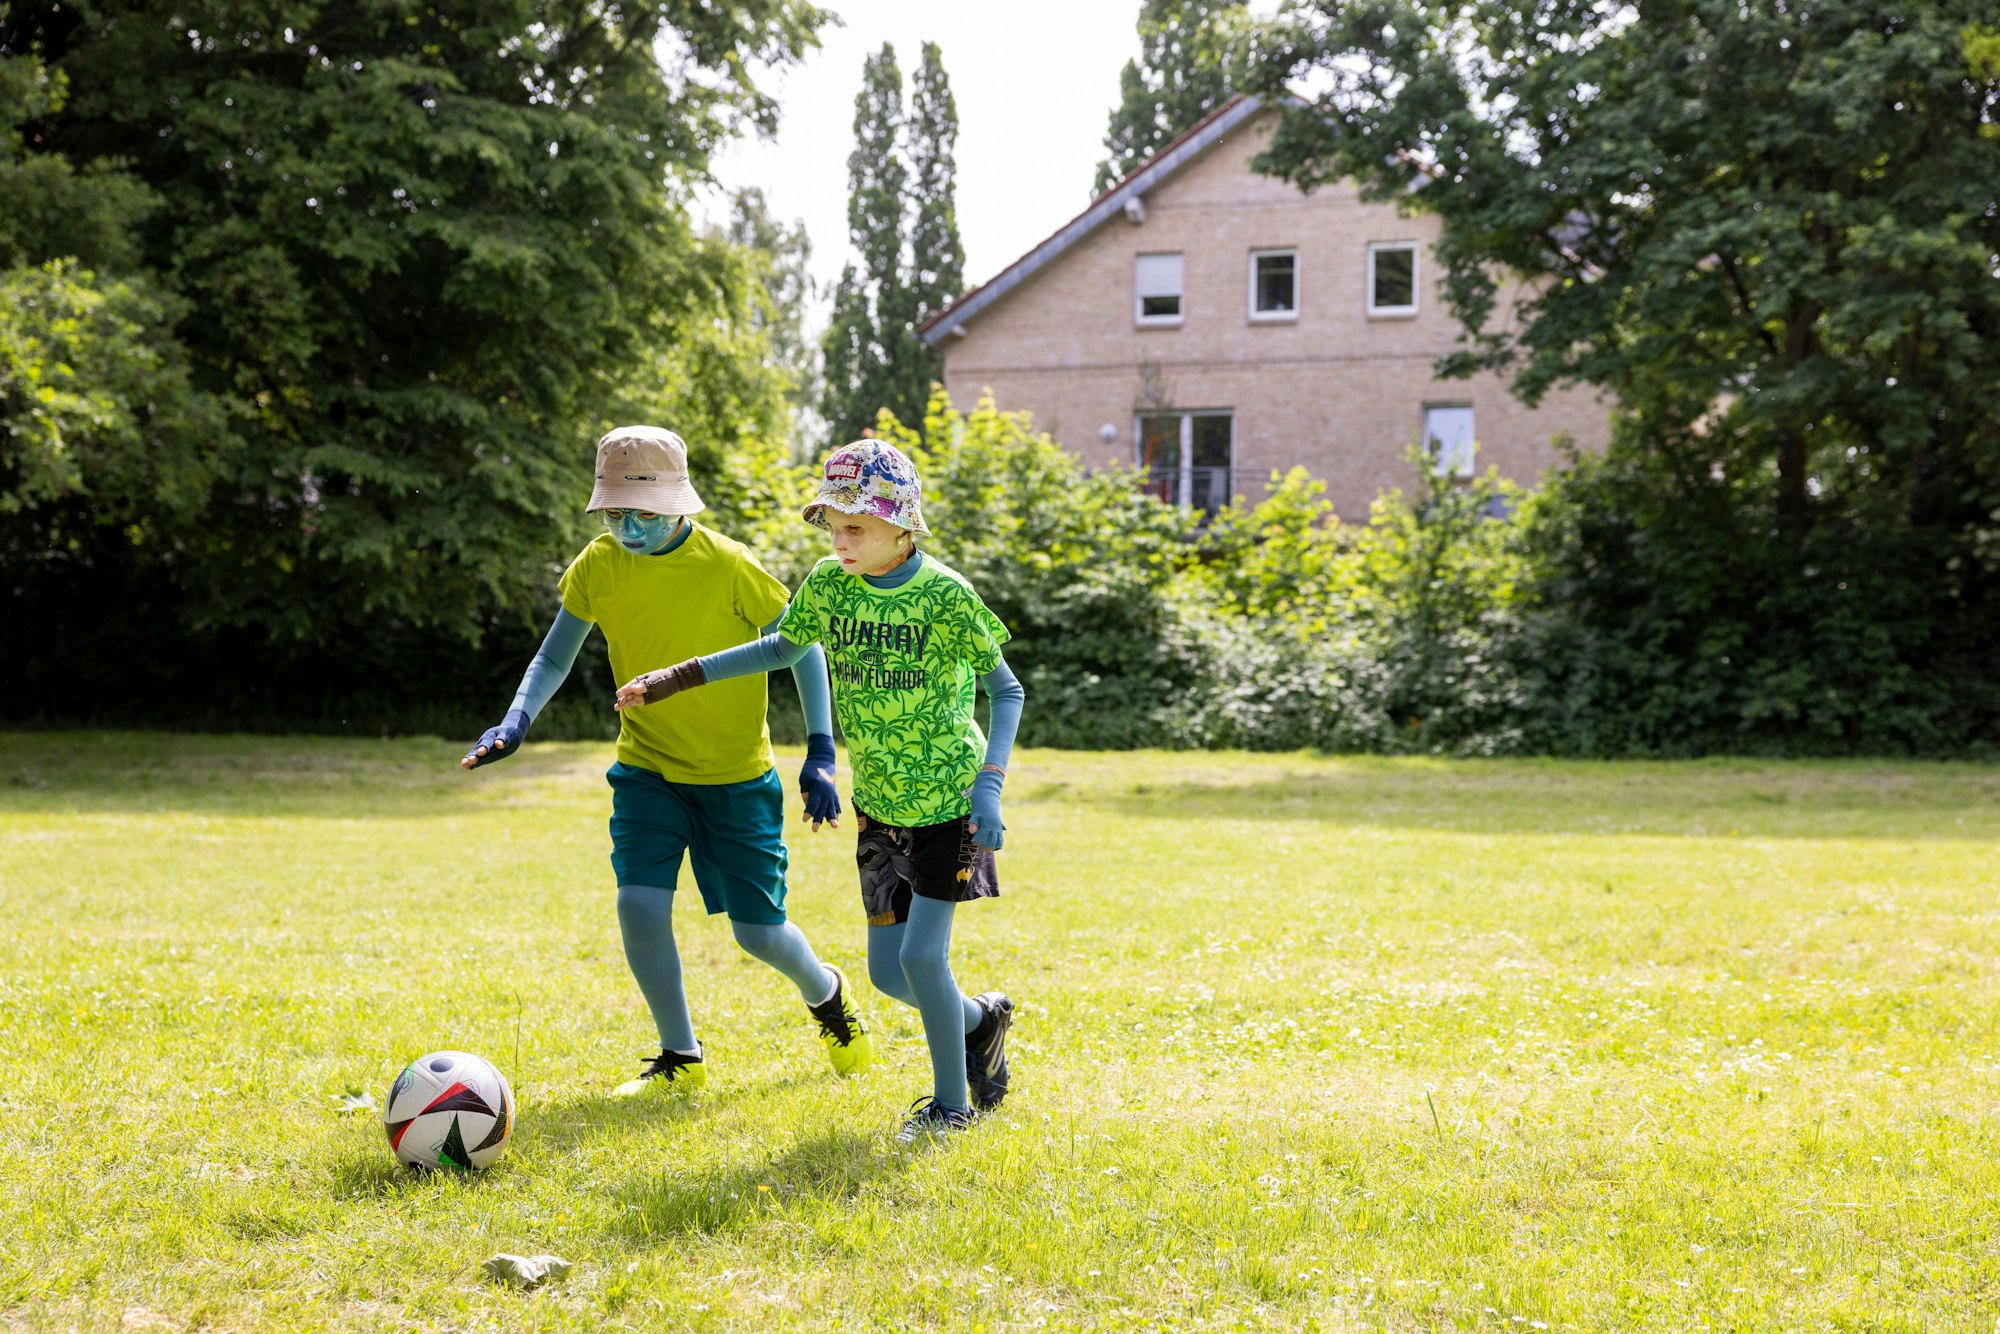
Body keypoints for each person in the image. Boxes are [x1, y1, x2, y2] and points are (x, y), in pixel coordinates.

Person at [615, 440, 1024, 1144]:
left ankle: (951, 1106)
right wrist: (674, 677)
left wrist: (989, 788)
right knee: (890, 976)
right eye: (833, 526)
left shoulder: (948, 596)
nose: (840, 540)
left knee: (924, 960)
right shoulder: (829, 586)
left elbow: (1006, 690)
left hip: (950, 803)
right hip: (882, 805)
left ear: (904, 525)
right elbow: (778, 646)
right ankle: (982, 1022)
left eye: (855, 526)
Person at [460, 425, 873, 1095]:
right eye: (616, 513)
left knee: (760, 935)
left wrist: (821, 751)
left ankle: (826, 994)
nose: (629, 528)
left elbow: (805, 647)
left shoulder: (730, 565)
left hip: (735, 778)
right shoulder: (598, 564)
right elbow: (555, 654)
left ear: (679, 503)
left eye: (644, 515)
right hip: (647, 769)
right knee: (640, 906)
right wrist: (517, 718)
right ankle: (681, 1057)